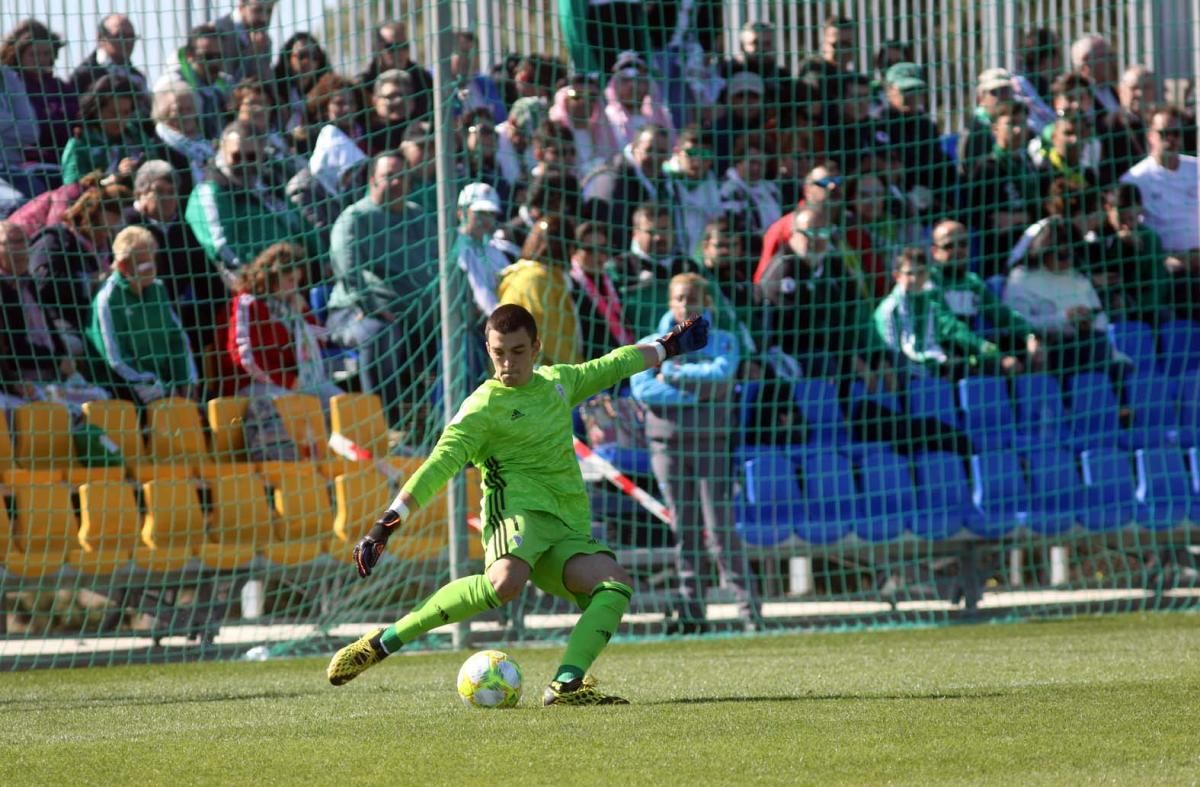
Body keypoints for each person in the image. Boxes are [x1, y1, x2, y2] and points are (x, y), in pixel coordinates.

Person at [327, 303, 709, 704]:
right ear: (488, 350)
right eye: (498, 353)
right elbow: (438, 466)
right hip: (516, 514)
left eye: (517, 351)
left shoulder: (559, 383)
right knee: (505, 583)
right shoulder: (481, 408)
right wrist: (385, 524)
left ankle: (566, 685)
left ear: (536, 347)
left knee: (614, 584)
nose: (508, 363)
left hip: (566, 525)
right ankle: (383, 642)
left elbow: (615, 364)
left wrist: (668, 347)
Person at [630, 273, 760, 633]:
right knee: (685, 528)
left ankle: (750, 611)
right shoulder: (649, 345)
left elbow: (722, 375)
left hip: (712, 445)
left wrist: (671, 376)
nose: (685, 304)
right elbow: (643, 390)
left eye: (692, 298)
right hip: (666, 447)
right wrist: (700, 393)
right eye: (679, 298)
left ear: (706, 302)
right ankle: (692, 612)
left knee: (720, 529)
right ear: (670, 302)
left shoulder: (723, 341)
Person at [325, 151, 438, 433]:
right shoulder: (355, 219)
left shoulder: (418, 217)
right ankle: (386, 426)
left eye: (402, 176)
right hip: (357, 312)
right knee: (380, 333)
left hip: (414, 315)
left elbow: (438, 265)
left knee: (459, 336)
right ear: (373, 179)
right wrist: (373, 306)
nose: (398, 182)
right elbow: (348, 271)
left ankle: (447, 425)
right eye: (390, 176)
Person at [85, 225, 198, 406]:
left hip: (165, 383)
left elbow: (177, 339)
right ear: (123, 266)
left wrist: (185, 381)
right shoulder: (107, 300)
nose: (150, 267)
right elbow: (115, 358)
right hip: (124, 384)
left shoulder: (158, 290)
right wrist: (151, 382)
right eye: (143, 262)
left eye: (152, 259)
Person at [874, 247, 1023, 380]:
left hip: (934, 366)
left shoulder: (931, 300)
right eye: (909, 273)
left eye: (920, 272)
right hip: (906, 373)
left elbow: (946, 332)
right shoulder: (888, 310)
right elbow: (892, 354)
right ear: (897, 276)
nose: (915, 279)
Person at [224, 241, 341, 404]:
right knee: (300, 407)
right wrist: (287, 381)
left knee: (344, 403)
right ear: (273, 276)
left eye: (297, 282)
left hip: (298, 382)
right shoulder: (248, 304)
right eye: (290, 280)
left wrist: (304, 312)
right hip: (253, 385)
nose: (294, 287)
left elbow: (322, 340)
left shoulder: (291, 305)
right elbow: (245, 358)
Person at [929, 219, 1039, 354]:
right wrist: (991, 352)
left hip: (967, 358)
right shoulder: (928, 283)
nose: (957, 250)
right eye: (949, 246)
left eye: (963, 244)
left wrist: (1029, 335)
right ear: (934, 252)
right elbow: (951, 328)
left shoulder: (972, 282)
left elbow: (1002, 314)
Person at [496, 214, 582, 366]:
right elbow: (547, 335)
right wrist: (580, 374)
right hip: (528, 376)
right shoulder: (534, 279)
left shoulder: (547, 277)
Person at [1120, 105, 1198, 264]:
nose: (1171, 139)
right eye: (1164, 134)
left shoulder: (1196, 168)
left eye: (1175, 133)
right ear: (1150, 136)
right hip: (1166, 261)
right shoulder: (1135, 178)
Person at [60, 75, 160, 186]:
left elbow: (158, 171)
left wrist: (139, 169)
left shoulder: (136, 138)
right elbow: (72, 190)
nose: (120, 120)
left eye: (126, 113)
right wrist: (113, 179)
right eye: (113, 113)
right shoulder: (80, 143)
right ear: (97, 110)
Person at [154, 24, 232, 143]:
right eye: (208, 57)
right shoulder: (171, 85)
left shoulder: (224, 85)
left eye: (219, 56)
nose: (215, 62)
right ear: (189, 56)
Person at [150, 80, 213, 199]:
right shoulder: (158, 149)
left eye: (189, 109)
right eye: (179, 110)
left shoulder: (206, 143)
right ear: (163, 113)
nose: (185, 115)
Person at [70, 14, 149, 102]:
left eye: (131, 37)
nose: (128, 42)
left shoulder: (137, 77)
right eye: (120, 36)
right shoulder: (84, 74)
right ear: (100, 38)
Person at [270, 32, 329, 135]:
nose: (308, 61)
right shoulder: (273, 88)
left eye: (314, 56)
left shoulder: (325, 92)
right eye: (302, 55)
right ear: (288, 58)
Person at [214, 0, 276, 84]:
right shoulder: (217, 34)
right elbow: (226, 86)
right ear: (241, 5)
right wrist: (251, 52)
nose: (264, 18)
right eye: (257, 10)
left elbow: (267, 82)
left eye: (269, 11)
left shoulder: (265, 39)